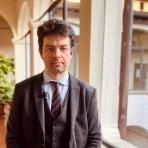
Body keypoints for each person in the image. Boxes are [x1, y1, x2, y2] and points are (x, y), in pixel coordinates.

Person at [6, 19, 102, 148]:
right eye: (50, 48)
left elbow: (94, 138)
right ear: (41, 52)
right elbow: (13, 137)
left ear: (71, 52)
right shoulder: (22, 90)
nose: (57, 55)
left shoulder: (88, 93)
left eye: (63, 48)